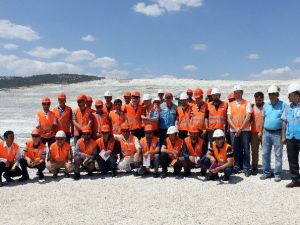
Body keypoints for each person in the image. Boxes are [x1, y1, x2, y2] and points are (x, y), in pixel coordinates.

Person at [260, 85, 286, 182]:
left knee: (278, 154)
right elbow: (263, 119)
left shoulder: (283, 105)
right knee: (265, 153)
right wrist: (260, 131)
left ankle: (277, 173)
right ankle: (266, 172)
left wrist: (284, 135)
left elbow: (284, 120)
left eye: (274, 94)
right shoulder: (266, 105)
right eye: (270, 94)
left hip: (278, 133)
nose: (272, 96)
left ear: (277, 94)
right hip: (266, 132)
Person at [227, 85, 252, 177]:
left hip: (244, 130)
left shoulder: (247, 103)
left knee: (246, 149)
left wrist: (240, 128)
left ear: (242, 93)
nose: (237, 94)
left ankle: (246, 168)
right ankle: (236, 166)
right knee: (235, 149)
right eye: (235, 93)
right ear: (234, 94)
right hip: (233, 131)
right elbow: (229, 118)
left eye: (239, 92)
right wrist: (235, 128)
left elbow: (248, 116)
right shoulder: (231, 104)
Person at [282, 83, 300, 188]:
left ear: (295, 94)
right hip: (290, 138)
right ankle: (295, 180)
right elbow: (284, 122)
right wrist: (283, 136)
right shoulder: (288, 107)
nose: (288, 97)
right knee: (292, 159)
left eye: (289, 95)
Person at [250, 92, 264, 175]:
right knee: (254, 151)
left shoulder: (267, 107)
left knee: (266, 151)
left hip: (265, 132)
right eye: (256, 100)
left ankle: (266, 167)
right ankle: (254, 167)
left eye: (259, 100)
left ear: (262, 99)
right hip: (254, 132)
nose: (258, 101)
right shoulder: (252, 107)